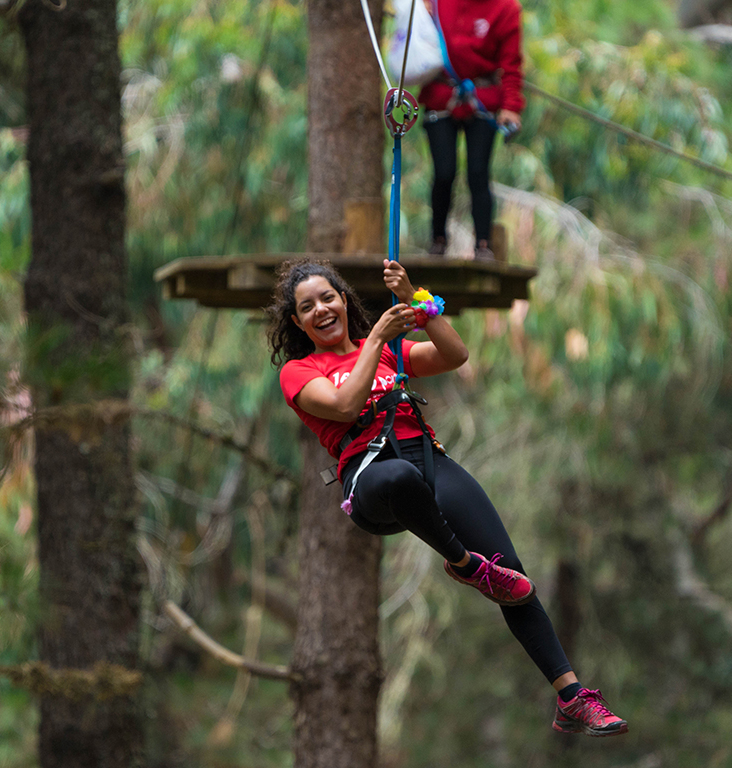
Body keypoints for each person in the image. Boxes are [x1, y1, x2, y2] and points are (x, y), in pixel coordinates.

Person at [267, 256, 628, 737]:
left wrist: (419, 299)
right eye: (307, 307)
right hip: (371, 477)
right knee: (398, 478)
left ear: (343, 300)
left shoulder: (393, 351)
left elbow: (455, 354)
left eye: (327, 298)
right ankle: (463, 564)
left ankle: (571, 697)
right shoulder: (299, 371)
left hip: (427, 460)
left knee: (513, 575)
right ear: (297, 321)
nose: (321, 310)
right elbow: (345, 404)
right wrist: (376, 336)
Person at [419, 0, 524, 261]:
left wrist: (511, 106)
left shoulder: (505, 8)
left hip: (482, 98)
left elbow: (511, 64)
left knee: (478, 173)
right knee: (444, 172)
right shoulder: (434, 2)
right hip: (441, 95)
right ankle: (438, 240)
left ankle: (483, 245)